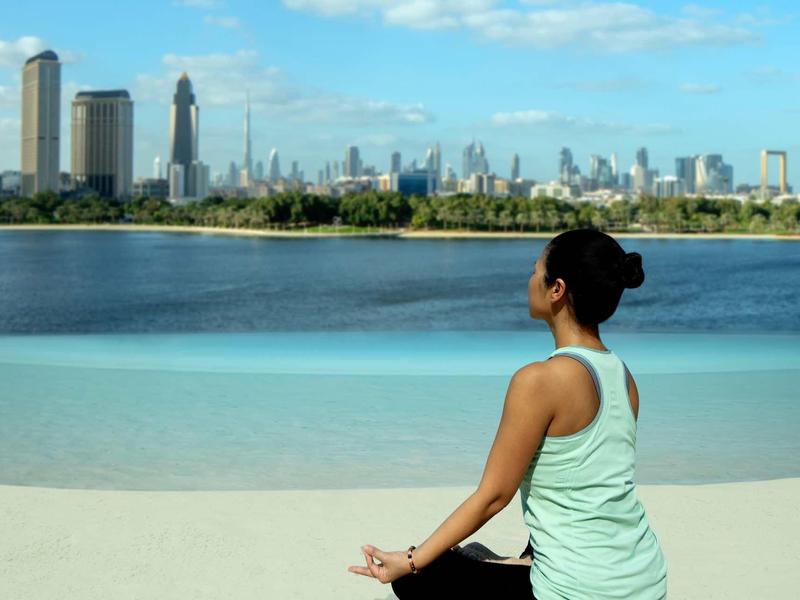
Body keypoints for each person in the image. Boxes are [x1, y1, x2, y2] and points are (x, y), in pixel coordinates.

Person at [347, 228, 668, 599]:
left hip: (580, 590)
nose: (529, 280)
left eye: (535, 271)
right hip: (645, 579)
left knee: (414, 578)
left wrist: (412, 560)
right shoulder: (624, 377)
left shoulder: (539, 381)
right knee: (480, 554)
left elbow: (493, 497)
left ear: (556, 290)